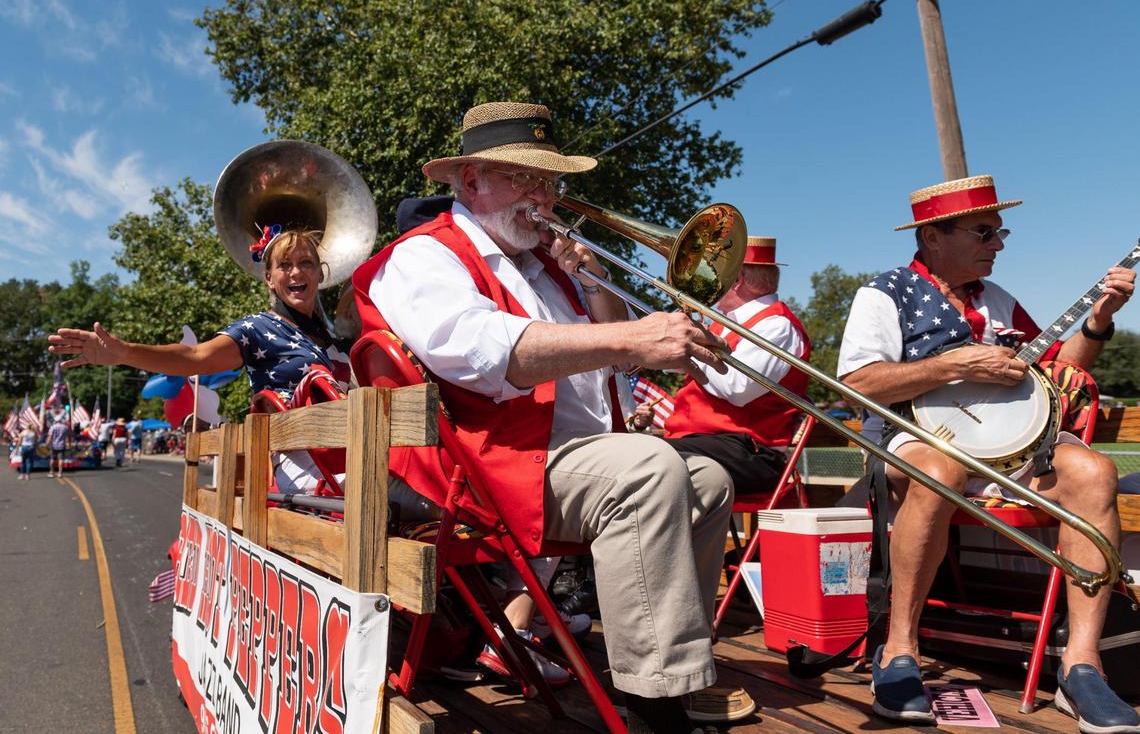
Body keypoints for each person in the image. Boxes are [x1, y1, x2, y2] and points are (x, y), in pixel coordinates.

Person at [353, 101, 753, 730]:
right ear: (471, 181)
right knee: (651, 470)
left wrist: (595, 287)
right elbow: (485, 352)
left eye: (550, 180)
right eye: (524, 177)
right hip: (490, 468)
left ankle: (674, 674)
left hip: (568, 458)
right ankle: (653, 707)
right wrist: (631, 340)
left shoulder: (544, 267)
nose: (543, 195)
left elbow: (615, 368)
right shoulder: (424, 255)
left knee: (707, 479)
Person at [837, 175, 1138, 731]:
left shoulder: (998, 301)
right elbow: (857, 382)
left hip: (1010, 453)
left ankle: (1082, 667)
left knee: (1095, 471)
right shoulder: (884, 293)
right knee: (937, 468)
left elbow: (1060, 372)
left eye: (1000, 232)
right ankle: (897, 650)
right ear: (932, 236)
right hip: (917, 443)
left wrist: (1099, 318)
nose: (998, 243)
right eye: (984, 232)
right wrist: (954, 365)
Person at [48, 229, 352, 492]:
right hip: (304, 460)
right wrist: (126, 352)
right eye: (284, 265)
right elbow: (195, 356)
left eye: (305, 263)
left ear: (320, 274)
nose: (296, 272)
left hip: (348, 448)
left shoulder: (337, 339)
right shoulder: (258, 328)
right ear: (269, 279)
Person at [631, 236, 811, 496]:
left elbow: (738, 388)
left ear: (736, 279)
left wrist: (684, 351)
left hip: (751, 450)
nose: (707, 282)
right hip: (713, 443)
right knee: (624, 452)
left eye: (714, 273)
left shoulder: (777, 325)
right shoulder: (726, 322)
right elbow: (697, 369)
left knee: (641, 460)